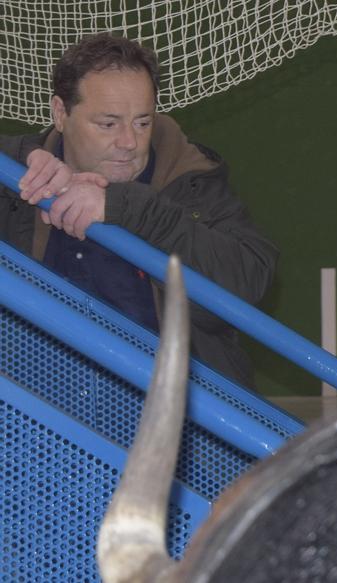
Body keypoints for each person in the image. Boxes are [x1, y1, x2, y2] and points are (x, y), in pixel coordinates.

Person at [0, 33, 277, 389]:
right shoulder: (21, 178)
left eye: (142, 122)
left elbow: (248, 280)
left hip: (169, 415)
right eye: (108, 124)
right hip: (41, 419)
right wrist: (20, 155)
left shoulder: (191, 180)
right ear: (60, 113)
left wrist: (129, 208)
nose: (129, 142)